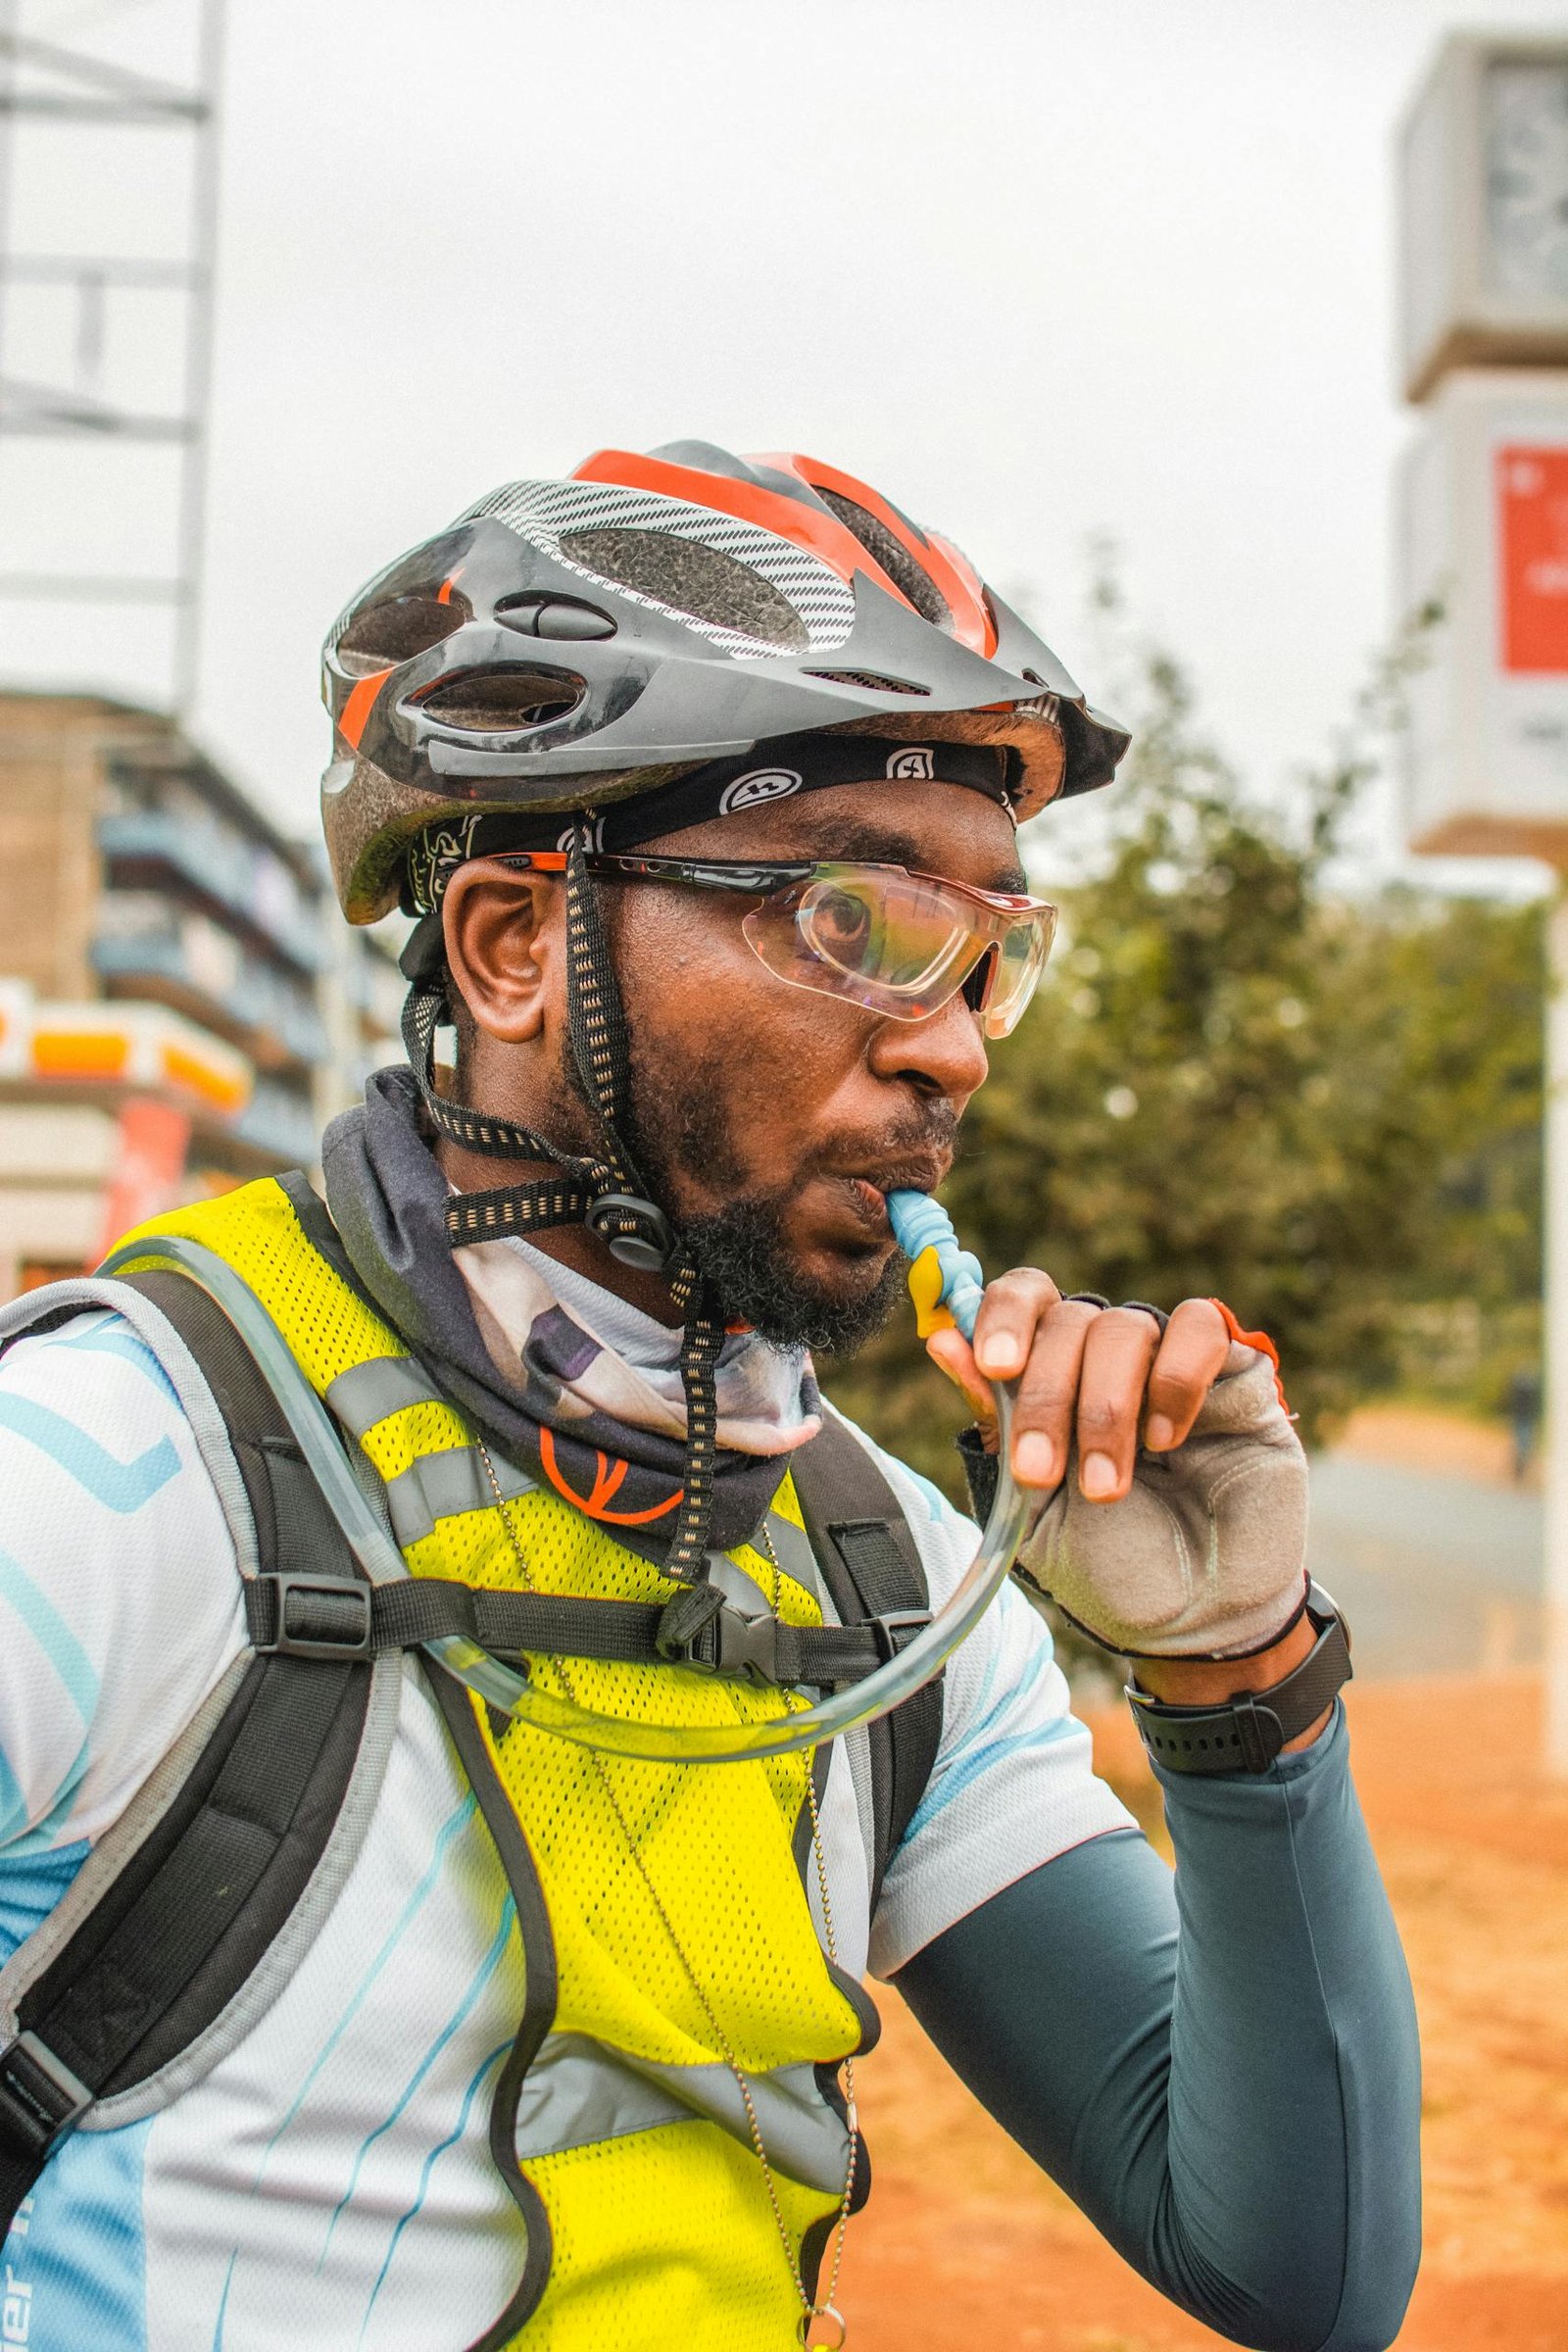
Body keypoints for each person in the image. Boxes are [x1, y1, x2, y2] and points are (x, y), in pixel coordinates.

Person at [0, 443, 1419, 2352]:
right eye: (849, 916)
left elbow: (1295, 2268)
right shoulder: (109, 1480)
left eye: (989, 948)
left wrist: (1233, 1670)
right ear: (514, 948)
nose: (943, 1044)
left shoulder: (885, 1582)